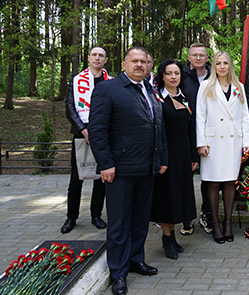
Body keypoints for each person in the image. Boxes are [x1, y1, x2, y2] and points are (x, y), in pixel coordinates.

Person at [89, 46, 169, 295]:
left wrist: (162, 157)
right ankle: (119, 272)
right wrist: (105, 164)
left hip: (147, 169)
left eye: (144, 61)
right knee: (119, 224)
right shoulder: (107, 89)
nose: (139, 65)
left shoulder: (150, 89)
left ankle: (136, 260)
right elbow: (97, 130)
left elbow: (159, 127)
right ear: (124, 64)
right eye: (134, 61)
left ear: (148, 66)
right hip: (120, 170)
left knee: (139, 221)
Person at [196, 51, 249, 244]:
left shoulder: (239, 87)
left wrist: (247, 143)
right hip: (213, 143)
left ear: (230, 66)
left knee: (229, 182)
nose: (221, 66)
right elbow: (200, 116)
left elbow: (244, 116)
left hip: (233, 142)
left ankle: (228, 223)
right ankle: (215, 224)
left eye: (225, 63)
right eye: (218, 63)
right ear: (214, 65)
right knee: (212, 183)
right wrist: (201, 142)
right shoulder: (206, 86)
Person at [150, 59, 198, 259]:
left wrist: (193, 156)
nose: (173, 77)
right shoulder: (156, 99)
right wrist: (161, 157)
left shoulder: (185, 98)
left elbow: (191, 128)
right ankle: (167, 238)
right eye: (169, 73)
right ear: (162, 76)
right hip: (165, 158)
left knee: (179, 197)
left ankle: (173, 238)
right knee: (166, 199)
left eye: (176, 73)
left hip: (183, 155)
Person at [61, 47, 111, 234]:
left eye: (101, 56)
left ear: (105, 60)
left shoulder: (111, 82)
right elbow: (70, 108)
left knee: (101, 177)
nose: (97, 58)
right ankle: (71, 217)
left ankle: (96, 215)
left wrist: (98, 132)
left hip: (104, 134)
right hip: (80, 134)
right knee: (77, 178)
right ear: (89, 58)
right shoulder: (76, 81)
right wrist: (84, 130)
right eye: (94, 55)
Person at [182, 43, 212, 235]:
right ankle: (186, 217)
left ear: (207, 58)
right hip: (185, 133)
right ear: (189, 57)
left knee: (208, 178)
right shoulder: (181, 76)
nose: (199, 58)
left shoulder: (215, 77)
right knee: (185, 177)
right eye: (195, 55)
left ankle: (207, 214)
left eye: (202, 55)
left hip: (210, 134)